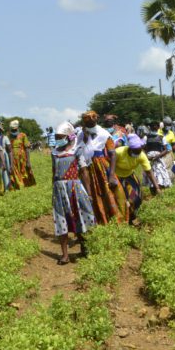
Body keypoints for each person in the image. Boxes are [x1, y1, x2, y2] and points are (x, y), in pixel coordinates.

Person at [50, 122, 95, 264]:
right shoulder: (55, 152)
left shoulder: (77, 150)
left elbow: (84, 171)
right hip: (59, 189)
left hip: (74, 187)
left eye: (61, 136)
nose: (58, 139)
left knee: (79, 217)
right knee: (61, 220)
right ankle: (65, 255)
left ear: (69, 137)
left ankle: (84, 248)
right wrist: (54, 188)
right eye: (57, 137)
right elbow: (54, 172)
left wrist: (88, 193)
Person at [79, 110, 128, 225]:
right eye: (86, 120)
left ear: (96, 119)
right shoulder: (80, 135)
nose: (89, 121)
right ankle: (99, 222)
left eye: (92, 119)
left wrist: (111, 174)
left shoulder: (104, 134)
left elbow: (113, 154)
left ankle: (118, 220)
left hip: (101, 166)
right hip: (85, 168)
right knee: (92, 195)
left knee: (110, 193)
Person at [114, 134, 160, 223]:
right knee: (121, 200)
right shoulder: (119, 152)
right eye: (135, 151)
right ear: (130, 148)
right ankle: (123, 221)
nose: (137, 154)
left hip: (129, 176)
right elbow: (110, 165)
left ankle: (132, 216)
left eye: (139, 151)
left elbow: (149, 172)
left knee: (136, 198)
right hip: (117, 177)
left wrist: (157, 187)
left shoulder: (141, 155)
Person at [7, 119, 35, 190]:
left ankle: (25, 185)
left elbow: (27, 148)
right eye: (12, 130)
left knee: (24, 171)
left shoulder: (23, 135)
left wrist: (28, 161)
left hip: (22, 158)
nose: (13, 132)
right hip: (12, 157)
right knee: (14, 171)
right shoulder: (8, 135)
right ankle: (17, 186)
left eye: (14, 130)